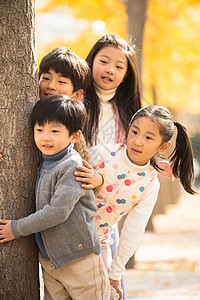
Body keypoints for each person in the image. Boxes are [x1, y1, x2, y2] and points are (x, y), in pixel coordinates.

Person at [75, 105, 196, 299]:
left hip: (98, 243)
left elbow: (133, 230)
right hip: (67, 231)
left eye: (149, 137)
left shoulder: (149, 184)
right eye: (134, 132)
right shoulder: (102, 153)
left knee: (106, 295)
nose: (138, 141)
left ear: (163, 147)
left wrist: (115, 272)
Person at [0, 95, 110, 300]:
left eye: (55, 131)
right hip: (50, 262)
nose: (45, 137)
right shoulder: (42, 161)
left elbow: (57, 212)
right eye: (39, 130)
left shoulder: (72, 166)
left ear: (74, 136)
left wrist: (17, 228)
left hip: (79, 259)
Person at [83, 34, 142, 299]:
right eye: (104, 61)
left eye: (119, 66)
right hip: (74, 196)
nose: (110, 69)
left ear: (127, 74)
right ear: (91, 61)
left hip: (107, 204)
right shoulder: (75, 101)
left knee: (112, 282)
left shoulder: (129, 111)